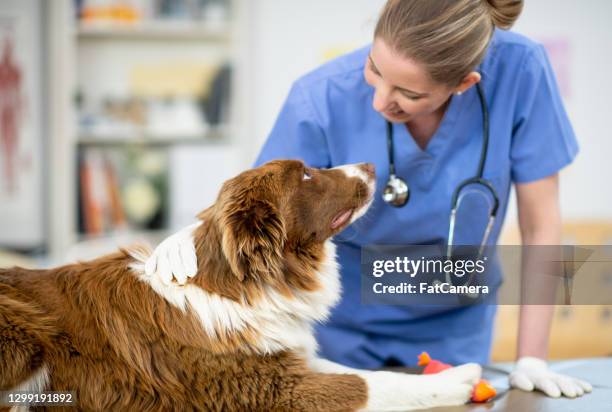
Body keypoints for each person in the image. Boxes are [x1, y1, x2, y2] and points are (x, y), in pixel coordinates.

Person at [146, 0, 592, 399]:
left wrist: (532, 356)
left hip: (456, 325)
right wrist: (197, 237)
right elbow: (264, 207)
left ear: (464, 83)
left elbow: (541, 226)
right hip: (340, 330)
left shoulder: (522, 71)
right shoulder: (319, 98)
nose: (381, 100)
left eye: (409, 94)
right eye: (374, 69)